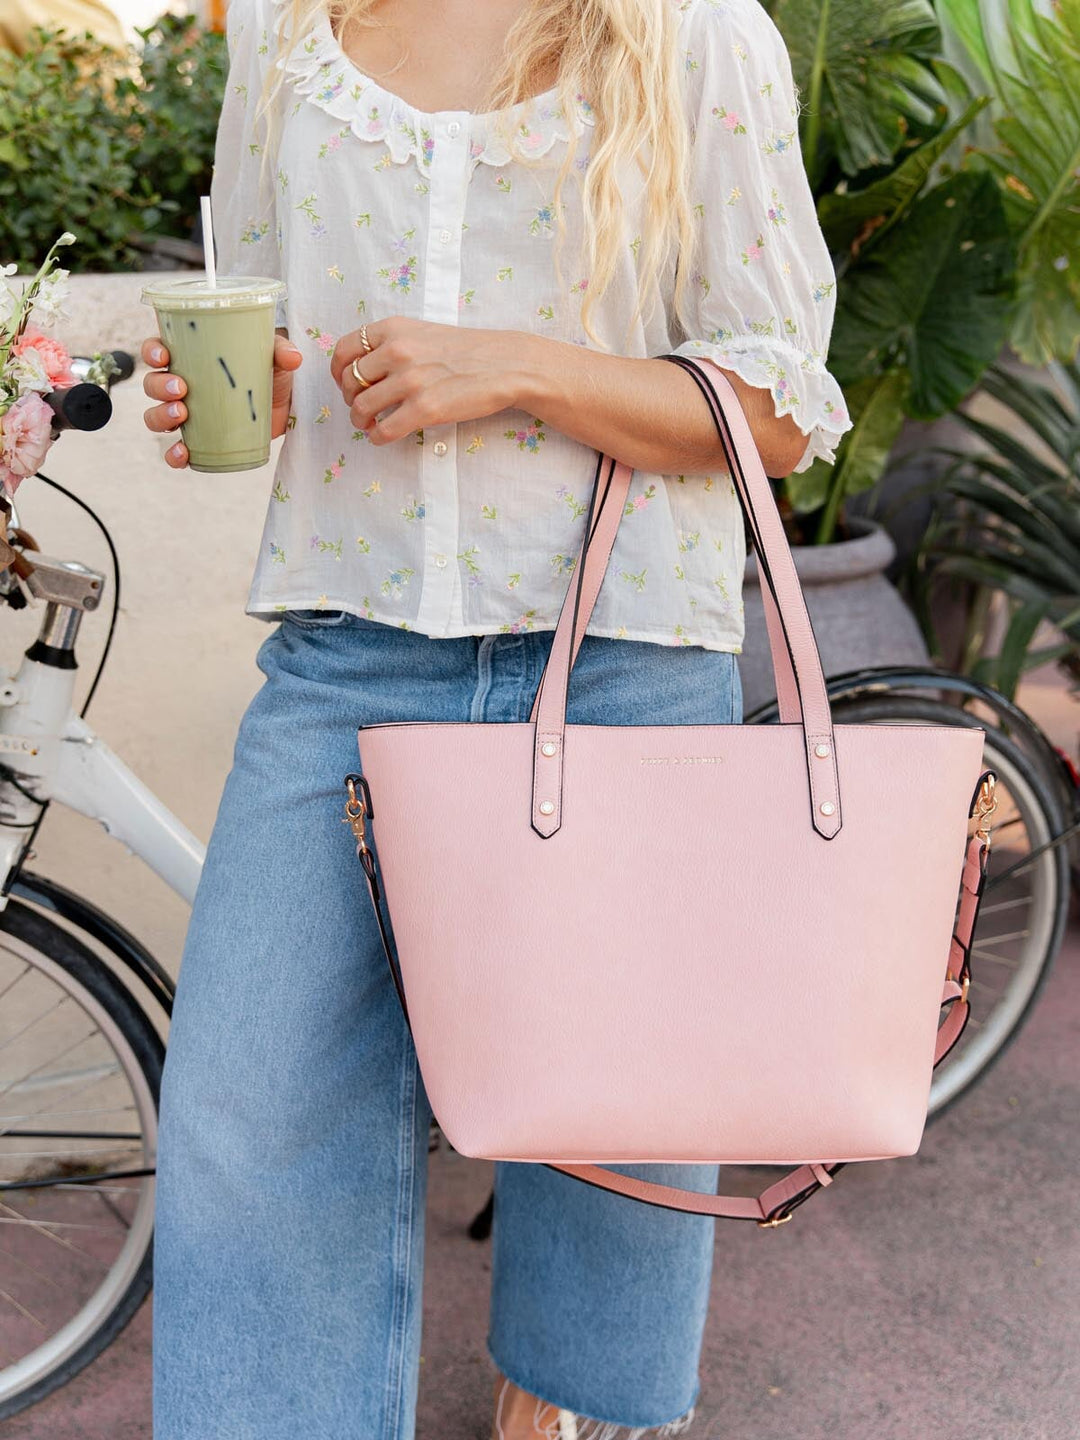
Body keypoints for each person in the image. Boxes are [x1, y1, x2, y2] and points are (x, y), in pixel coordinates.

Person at [143, 0, 851, 1436]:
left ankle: (582, 1402)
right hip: (348, 653)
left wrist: (520, 366)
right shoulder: (284, 29)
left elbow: (781, 405)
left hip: (623, 658)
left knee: (618, 1124)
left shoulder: (693, 32)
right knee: (247, 1123)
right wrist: (251, 387)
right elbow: (272, 309)